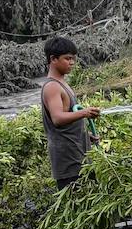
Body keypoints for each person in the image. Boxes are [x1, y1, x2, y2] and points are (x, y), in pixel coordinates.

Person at [41, 37, 100, 189]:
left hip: (78, 154)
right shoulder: (52, 87)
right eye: (67, 58)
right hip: (68, 162)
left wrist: (85, 136)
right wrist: (85, 113)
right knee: (76, 205)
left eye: (73, 58)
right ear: (53, 59)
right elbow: (57, 118)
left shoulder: (62, 83)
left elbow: (67, 121)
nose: (72, 63)